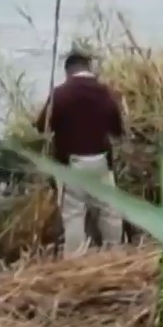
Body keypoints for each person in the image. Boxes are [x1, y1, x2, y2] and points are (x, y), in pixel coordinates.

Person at [34, 50, 125, 254]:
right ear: (88, 68)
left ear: (68, 71)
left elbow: (42, 127)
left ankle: (76, 258)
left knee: (74, 213)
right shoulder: (105, 92)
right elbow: (117, 130)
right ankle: (115, 253)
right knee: (109, 209)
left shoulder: (60, 94)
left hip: (72, 163)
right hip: (101, 161)